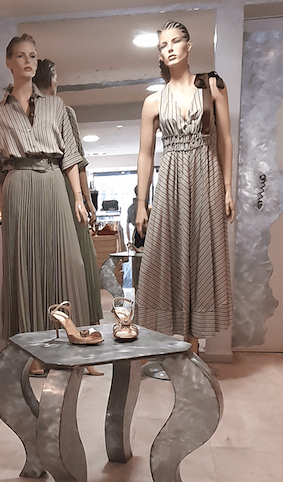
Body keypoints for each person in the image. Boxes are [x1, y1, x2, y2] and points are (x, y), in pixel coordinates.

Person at [0, 34, 90, 374]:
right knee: (25, 266)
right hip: (17, 185)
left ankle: (73, 345)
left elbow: (70, 157)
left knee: (67, 262)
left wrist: (78, 198)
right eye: (20, 56)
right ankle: (32, 352)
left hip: (53, 181)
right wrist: (4, 210)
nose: (28, 61)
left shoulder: (56, 107)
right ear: (8, 62)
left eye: (32, 55)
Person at [134, 21, 235, 354]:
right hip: (171, 182)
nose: (170, 49)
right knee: (165, 255)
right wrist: (141, 202)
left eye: (176, 41)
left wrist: (227, 187)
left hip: (206, 177)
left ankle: (193, 346)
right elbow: (145, 154)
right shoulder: (153, 102)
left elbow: (225, 139)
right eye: (163, 45)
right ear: (159, 55)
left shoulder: (212, 86)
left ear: (188, 46)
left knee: (202, 253)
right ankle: (167, 341)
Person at [33, 58, 104, 376]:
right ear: (52, 78)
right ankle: (82, 350)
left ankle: (39, 355)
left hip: (38, 193)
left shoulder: (26, 112)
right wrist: (86, 201)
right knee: (78, 267)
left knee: (43, 268)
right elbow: (77, 161)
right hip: (62, 190)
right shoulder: (63, 111)